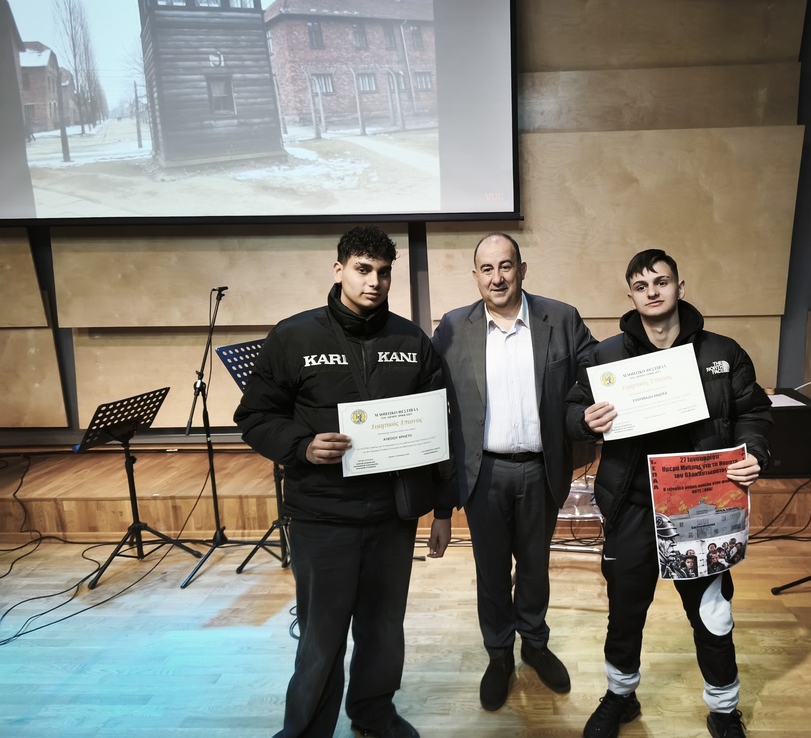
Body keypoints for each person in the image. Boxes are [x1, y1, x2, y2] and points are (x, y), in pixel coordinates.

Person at [234, 226, 454, 738]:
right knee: (321, 635)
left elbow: (440, 426)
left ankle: (373, 713)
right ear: (339, 270)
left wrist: (442, 508)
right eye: (362, 269)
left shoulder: (411, 340)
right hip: (322, 514)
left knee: (383, 629)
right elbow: (255, 416)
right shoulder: (294, 336)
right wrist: (303, 446)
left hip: (392, 515)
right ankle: (306, 729)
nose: (374, 281)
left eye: (383, 272)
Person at [565, 248, 772, 738]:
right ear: (630, 296)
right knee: (625, 611)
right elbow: (571, 410)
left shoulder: (723, 352)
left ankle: (724, 708)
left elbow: (753, 411)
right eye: (641, 286)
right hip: (633, 505)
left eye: (661, 281)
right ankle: (620, 696)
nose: (652, 292)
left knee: (712, 614)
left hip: (700, 507)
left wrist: (755, 451)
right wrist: (584, 420)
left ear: (680, 286)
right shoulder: (605, 356)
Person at [431, 232, 597, 711]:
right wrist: (440, 503)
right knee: (490, 571)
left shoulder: (560, 318)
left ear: (522, 270)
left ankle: (535, 644)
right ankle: (499, 654)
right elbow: (429, 398)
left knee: (535, 567)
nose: (497, 277)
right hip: (483, 473)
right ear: (475, 276)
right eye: (487, 269)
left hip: (541, 470)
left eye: (506, 266)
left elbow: (598, 371)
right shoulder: (453, 327)